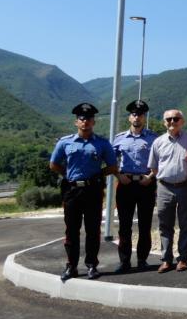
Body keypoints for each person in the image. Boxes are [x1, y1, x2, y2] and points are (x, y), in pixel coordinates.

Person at [50, 103, 117, 281]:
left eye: (88, 118)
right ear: (76, 122)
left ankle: (91, 265)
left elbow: (112, 166)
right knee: (71, 230)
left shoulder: (102, 143)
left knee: (92, 230)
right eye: (82, 119)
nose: (85, 121)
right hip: (72, 190)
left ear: (93, 121)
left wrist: (97, 175)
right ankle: (71, 266)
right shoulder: (65, 142)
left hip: (93, 190)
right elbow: (54, 164)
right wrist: (67, 174)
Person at [112, 99, 158, 274]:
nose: (137, 117)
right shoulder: (119, 139)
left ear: (144, 117)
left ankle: (142, 260)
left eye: (140, 114)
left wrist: (151, 176)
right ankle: (124, 261)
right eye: (133, 114)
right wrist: (118, 175)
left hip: (146, 183)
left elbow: (161, 160)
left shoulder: (154, 138)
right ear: (129, 118)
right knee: (125, 225)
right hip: (126, 184)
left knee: (145, 225)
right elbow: (110, 160)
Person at [148, 109, 187, 274]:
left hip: (185, 187)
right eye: (168, 119)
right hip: (164, 187)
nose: (172, 121)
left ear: (182, 121)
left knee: (186, 224)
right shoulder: (158, 142)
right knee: (164, 225)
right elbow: (153, 166)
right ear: (164, 122)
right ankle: (166, 259)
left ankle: (183, 258)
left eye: (176, 118)